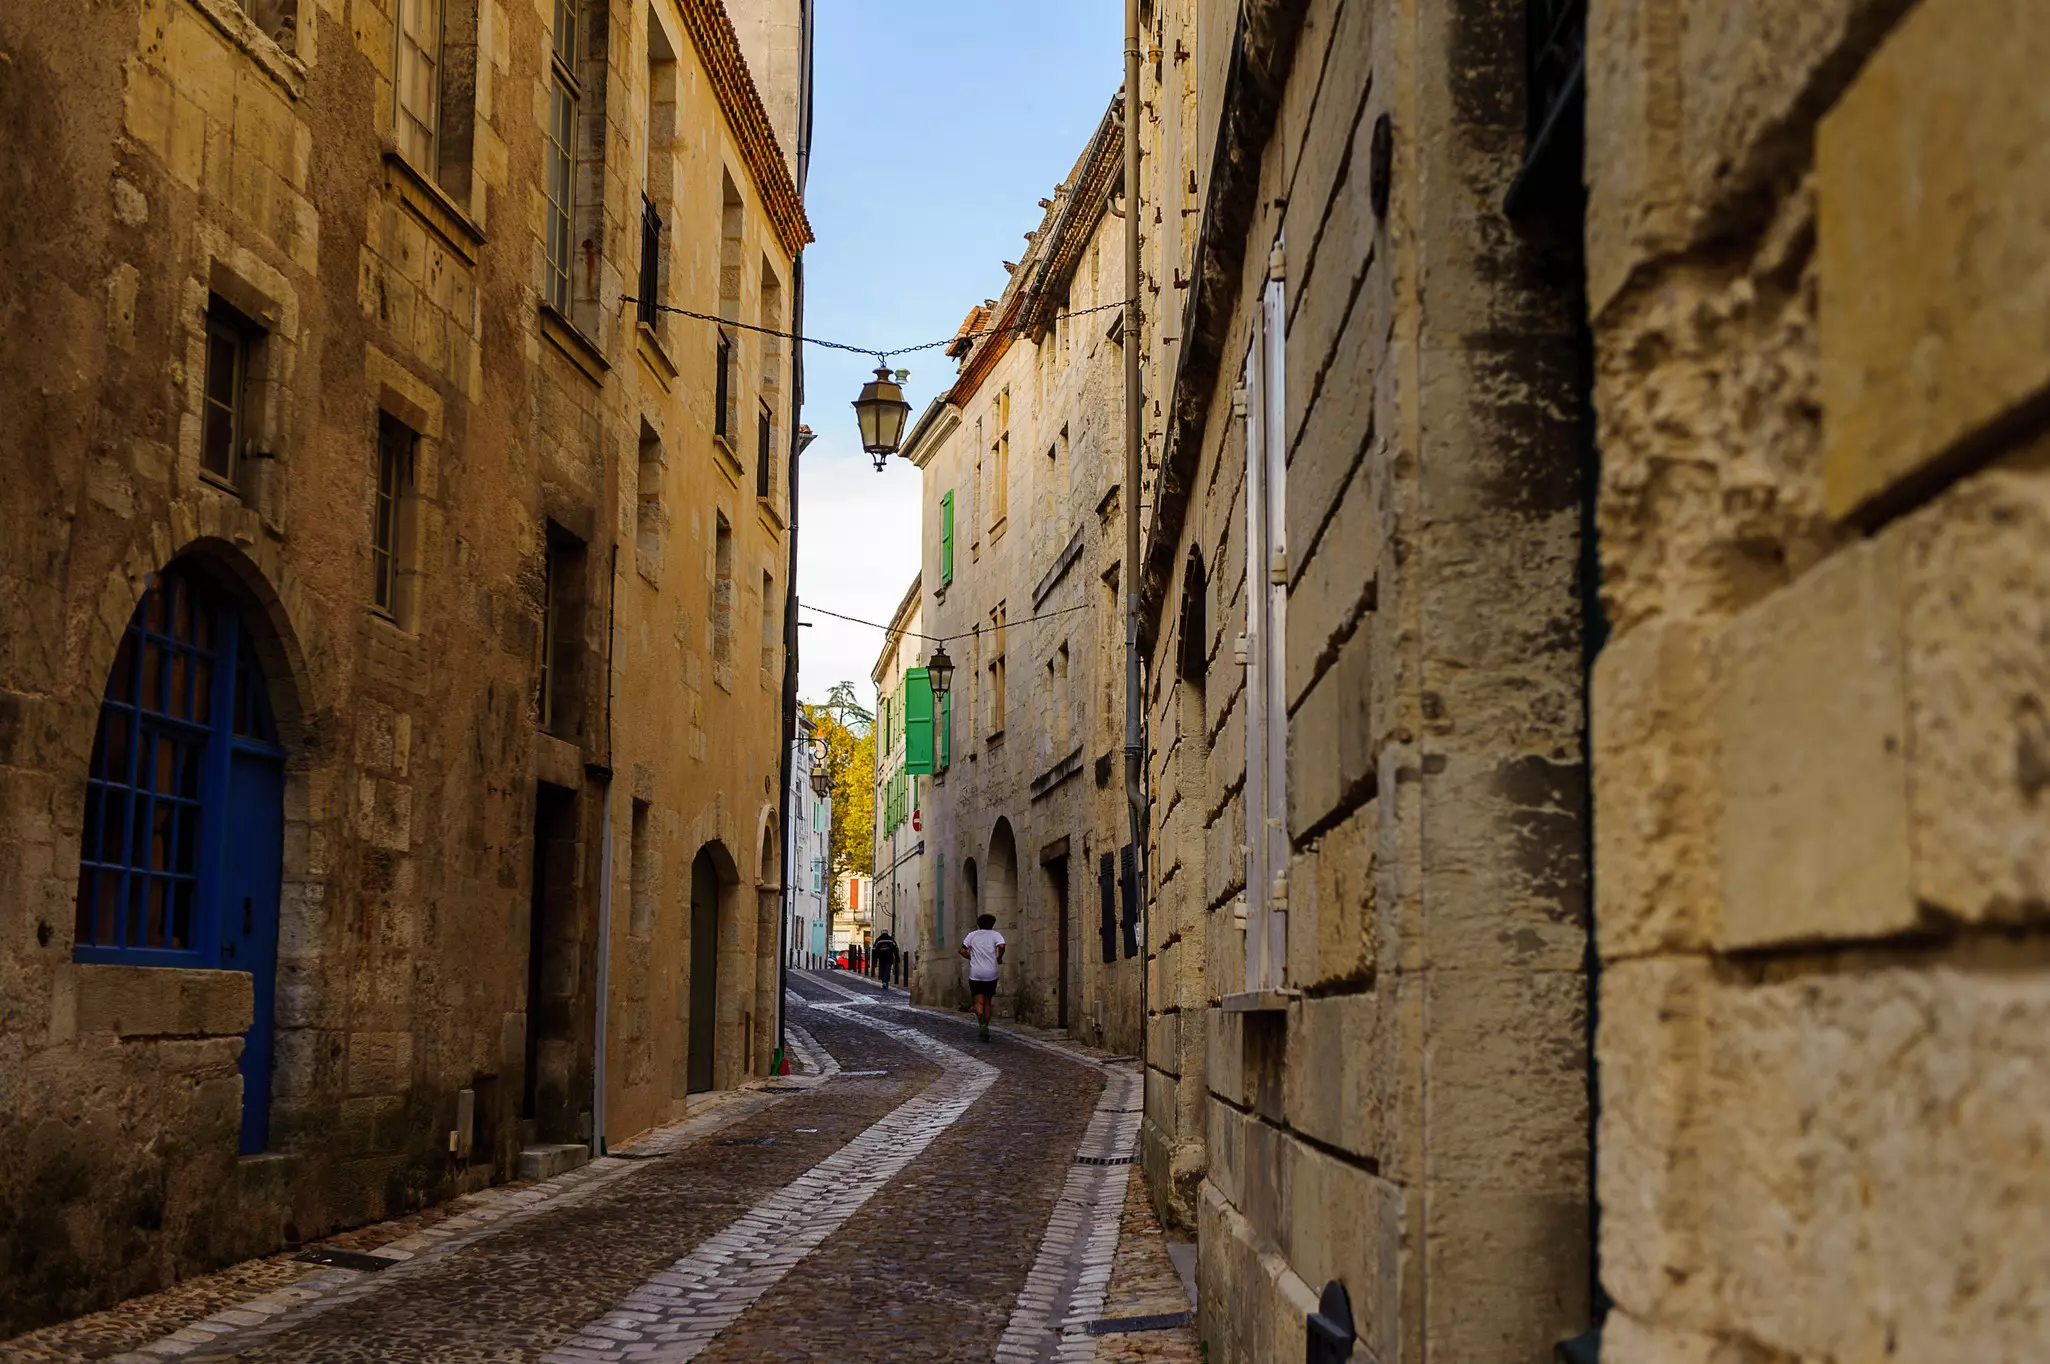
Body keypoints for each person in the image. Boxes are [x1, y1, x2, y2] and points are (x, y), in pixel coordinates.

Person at [958, 914, 1005, 1040]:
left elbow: (962, 950)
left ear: (979, 924)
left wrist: (971, 957)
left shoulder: (972, 935)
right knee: (988, 1001)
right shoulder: (995, 935)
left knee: (978, 1001)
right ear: (992, 924)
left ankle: (981, 1025)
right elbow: (1001, 946)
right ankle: (986, 1026)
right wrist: (999, 957)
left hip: (976, 973)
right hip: (991, 972)